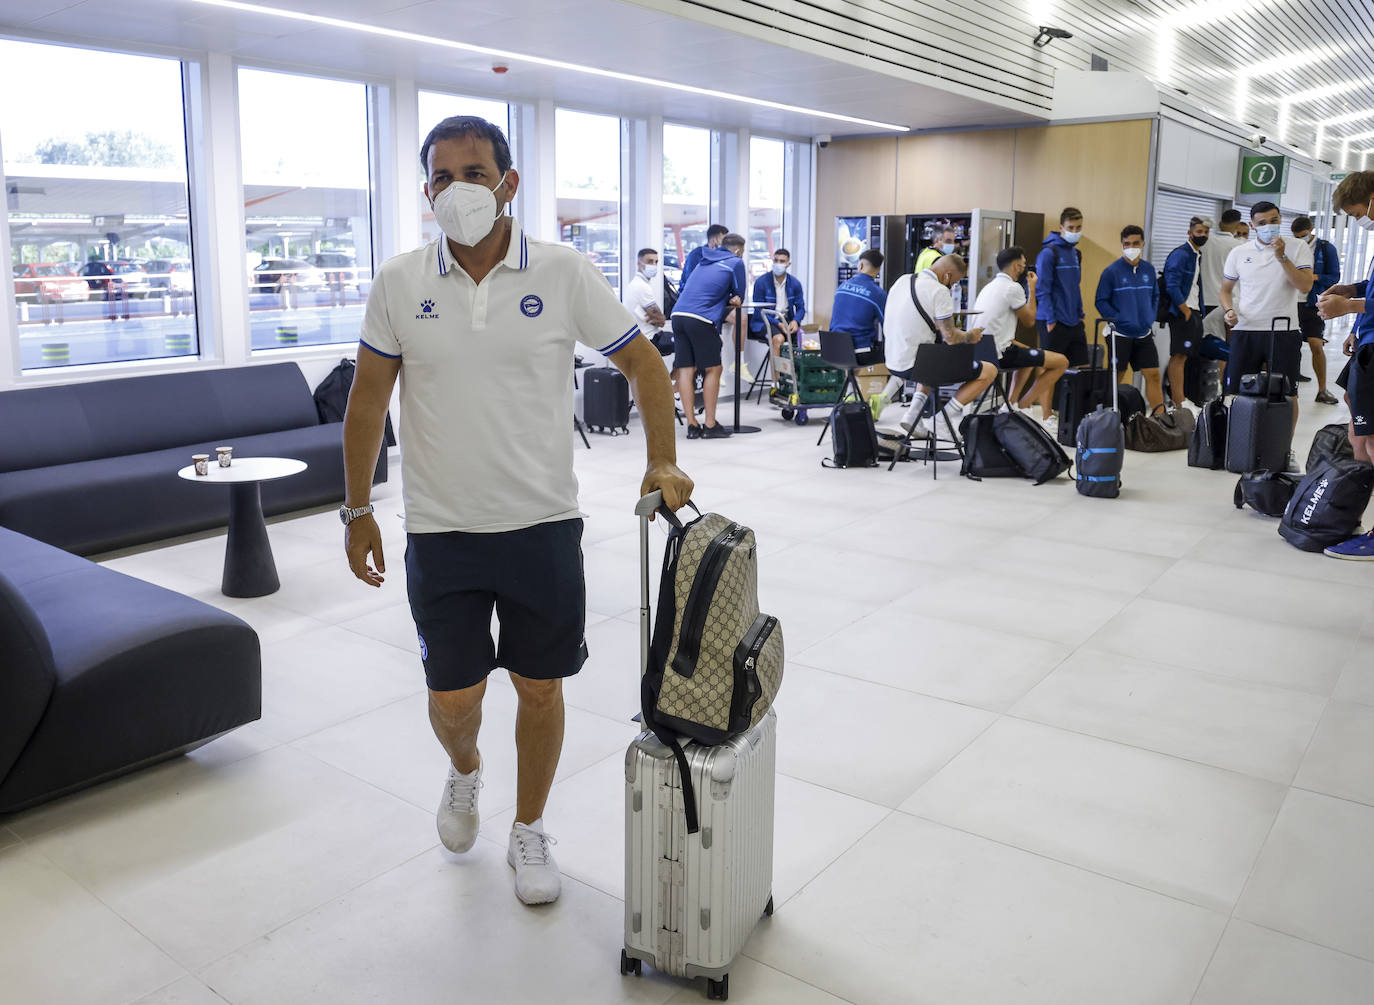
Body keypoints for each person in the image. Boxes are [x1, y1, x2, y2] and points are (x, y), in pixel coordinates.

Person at [340, 116, 693, 907]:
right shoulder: (400, 280)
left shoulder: (564, 272)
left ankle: (529, 825)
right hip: (441, 528)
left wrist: (661, 458)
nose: (458, 189)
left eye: (474, 172)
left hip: (540, 526)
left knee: (540, 687)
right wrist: (357, 507)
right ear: (426, 190)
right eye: (442, 177)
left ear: (509, 183)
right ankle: (465, 773)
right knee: (455, 699)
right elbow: (368, 400)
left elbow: (643, 363)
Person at [1218, 201, 1314, 470]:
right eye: (1262, 223)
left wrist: (1282, 256)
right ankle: (1238, 447)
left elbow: (1304, 285)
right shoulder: (1239, 252)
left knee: (1286, 394)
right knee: (1236, 393)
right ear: (1251, 226)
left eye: (1274, 220)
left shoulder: (1297, 247)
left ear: (1280, 219)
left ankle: (1283, 450)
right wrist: (1228, 311)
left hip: (1283, 330)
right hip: (1246, 329)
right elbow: (1226, 289)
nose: (1269, 227)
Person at [1317, 170, 1374, 558]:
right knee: (1358, 436)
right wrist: (1353, 295)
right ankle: (1353, 515)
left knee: (1371, 440)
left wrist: (1349, 307)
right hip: (1368, 344)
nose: (1359, 221)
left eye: (1357, 214)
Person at [879, 254, 995, 440]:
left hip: (893, 361)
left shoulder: (902, 280)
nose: (952, 287)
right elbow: (950, 337)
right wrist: (969, 336)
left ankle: (912, 414)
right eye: (954, 283)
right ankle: (943, 417)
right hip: (919, 365)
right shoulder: (939, 291)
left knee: (931, 352)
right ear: (947, 276)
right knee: (989, 371)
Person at [974, 245, 1067, 426]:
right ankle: (1024, 403)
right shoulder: (1013, 288)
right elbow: (1030, 320)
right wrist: (1032, 289)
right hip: (999, 354)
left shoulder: (989, 286)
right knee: (1061, 362)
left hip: (982, 349)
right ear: (1017, 266)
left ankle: (1010, 404)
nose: (1025, 268)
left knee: (1027, 353)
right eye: (1024, 265)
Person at [671, 231, 748, 438]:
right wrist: (731, 298)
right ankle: (711, 425)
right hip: (701, 318)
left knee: (686, 369)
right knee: (714, 368)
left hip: (678, 315)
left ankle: (692, 425)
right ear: (739, 250)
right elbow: (739, 298)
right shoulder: (736, 262)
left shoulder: (703, 260)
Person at [1096, 225, 1163, 411]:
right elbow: (1101, 301)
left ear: (1143, 243)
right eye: (1127, 244)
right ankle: (1109, 414)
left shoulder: (1149, 270)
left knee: (1153, 374)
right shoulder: (1111, 272)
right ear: (1122, 245)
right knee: (1118, 374)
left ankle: (1161, 418)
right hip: (1120, 333)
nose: (1131, 247)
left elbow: (1155, 296)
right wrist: (1118, 319)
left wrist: (1150, 316)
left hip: (1143, 332)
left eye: (1135, 243)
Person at [1290, 216, 1341, 404]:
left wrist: (1312, 276)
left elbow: (1334, 276)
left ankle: (1322, 390)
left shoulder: (1326, 248)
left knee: (1316, 345)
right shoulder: (1290, 247)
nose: (1300, 239)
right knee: (1290, 345)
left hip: (1312, 303)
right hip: (1290, 303)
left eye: (1303, 236)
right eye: (1297, 236)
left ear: (1311, 229)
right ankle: (1288, 384)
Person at [1161, 216, 1210, 408]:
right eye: (1199, 232)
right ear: (1189, 232)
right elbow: (1171, 284)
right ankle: (1178, 401)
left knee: (1186, 355)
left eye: (1205, 233)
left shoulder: (1197, 254)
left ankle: (1182, 398)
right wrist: (1184, 310)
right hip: (1183, 312)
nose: (1203, 235)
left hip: (1195, 310)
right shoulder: (1181, 254)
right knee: (1179, 356)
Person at [1036, 207, 1087, 365]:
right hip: (1053, 320)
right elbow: (1042, 290)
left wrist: (1080, 313)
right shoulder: (1049, 253)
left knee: (1080, 368)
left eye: (1078, 227)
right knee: (1051, 372)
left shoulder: (1075, 253)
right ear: (1061, 228)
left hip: (1074, 321)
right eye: (1070, 228)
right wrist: (1051, 320)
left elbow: (1075, 286)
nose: (1074, 231)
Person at [828, 248, 888, 366]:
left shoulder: (842, 286)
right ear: (878, 270)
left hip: (833, 348)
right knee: (897, 364)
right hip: (860, 352)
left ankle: (851, 383)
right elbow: (888, 326)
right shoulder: (878, 294)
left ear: (860, 265)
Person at [749, 247, 805, 353]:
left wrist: (795, 321)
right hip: (764, 322)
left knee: (804, 338)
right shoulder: (761, 282)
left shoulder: (795, 283)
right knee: (778, 339)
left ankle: (794, 369)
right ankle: (777, 370)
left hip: (786, 320)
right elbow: (759, 311)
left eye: (782, 261)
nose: (778, 264)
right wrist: (778, 324)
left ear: (788, 264)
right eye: (776, 260)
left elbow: (801, 308)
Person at [624, 248, 672, 357]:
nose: (654, 265)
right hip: (649, 339)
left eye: (656, 262)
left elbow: (657, 319)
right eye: (650, 262)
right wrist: (659, 318)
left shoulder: (634, 284)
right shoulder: (642, 287)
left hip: (641, 338)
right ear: (639, 263)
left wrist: (655, 318)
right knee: (686, 344)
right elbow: (660, 322)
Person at [1199, 208, 1246, 313]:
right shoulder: (1239, 246)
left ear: (1220, 224)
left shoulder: (1203, 242)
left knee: (1204, 329)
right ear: (1238, 226)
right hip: (1228, 302)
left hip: (1203, 299)